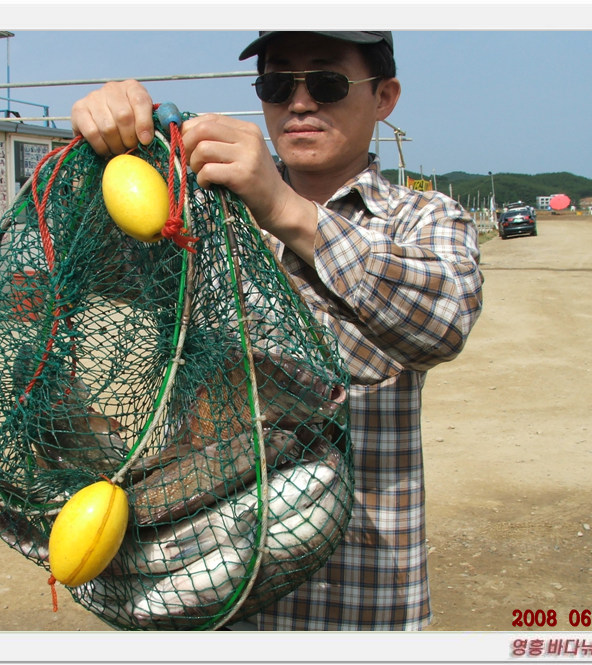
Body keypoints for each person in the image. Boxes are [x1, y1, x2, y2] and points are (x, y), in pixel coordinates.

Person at [71, 31, 484, 631]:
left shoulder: (424, 218)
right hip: (215, 591)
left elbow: (442, 324)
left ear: (384, 96)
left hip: (362, 598)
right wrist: (104, 146)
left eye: (327, 82)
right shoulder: (200, 215)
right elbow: (87, 270)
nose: (300, 102)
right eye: (277, 82)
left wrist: (283, 207)